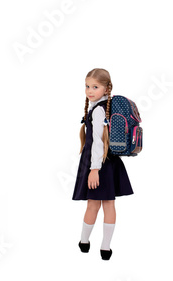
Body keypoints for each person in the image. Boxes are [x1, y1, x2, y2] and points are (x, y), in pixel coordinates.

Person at [73, 68, 133, 260]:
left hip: (97, 164)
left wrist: (94, 170)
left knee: (93, 205)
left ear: (107, 88)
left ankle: (84, 241)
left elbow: (97, 142)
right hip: (111, 162)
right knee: (109, 204)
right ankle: (105, 248)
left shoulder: (98, 110)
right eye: (87, 86)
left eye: (95, 87)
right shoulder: (105, 106)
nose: (90, 90)